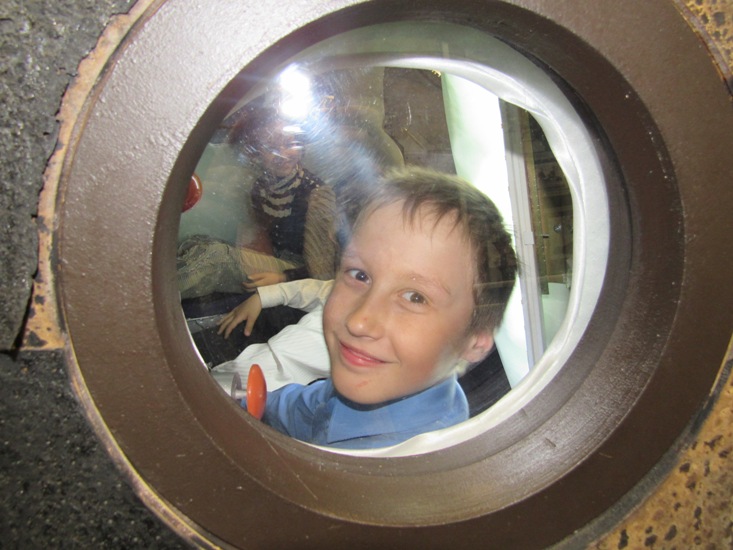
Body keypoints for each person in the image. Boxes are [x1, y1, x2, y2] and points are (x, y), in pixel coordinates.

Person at [238, 166, 518, 450]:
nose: (358, 321)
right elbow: (296, 410)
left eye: (415, 297)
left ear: (475, 342)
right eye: (360, 275)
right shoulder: (370, 387)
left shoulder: (415, 463)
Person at [177, 107, 337, 299]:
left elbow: (322, 272)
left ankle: (152, 299)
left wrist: (283, 278)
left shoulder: (316, 194)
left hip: (298, 273)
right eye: (271, 148)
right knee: (199, 243)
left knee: (215, 257)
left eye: (289, 144)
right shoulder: (261, 184)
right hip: (273, 260)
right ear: (257, 152)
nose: (282, 154)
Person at [211, 277, 332, 392]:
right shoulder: (340, 293)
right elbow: (319, 290)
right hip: (254, 357)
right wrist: (262, 298)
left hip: (280, 389)